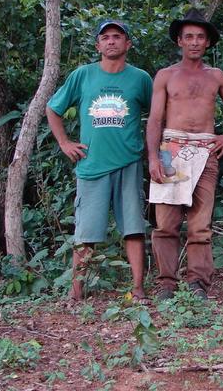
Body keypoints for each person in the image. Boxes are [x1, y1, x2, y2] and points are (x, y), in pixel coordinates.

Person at [46, 19, 153, 303]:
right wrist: (64, 142)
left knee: (133, 228)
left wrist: (156, 149)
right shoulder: (83, 76)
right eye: (105, 37)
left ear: (127, 44)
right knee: (86, 232)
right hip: (92, 165)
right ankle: (76, 292)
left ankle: (138, 289)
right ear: (98, 45)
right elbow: (53, 108)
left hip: (128, 162)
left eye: (117, 37)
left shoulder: (140, 78)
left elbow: (157, 115)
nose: (111, 41)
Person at [147, 9, 223, 300]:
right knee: (166, 222)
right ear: (179, 40)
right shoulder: (166, 76)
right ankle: (166, 284)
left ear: (208, 43)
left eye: (200, 37)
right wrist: (153, 158)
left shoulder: (215, 76)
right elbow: (154, 120)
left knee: (200, 224)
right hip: (170, 149)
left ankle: (197, 284)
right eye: (188, 36)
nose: (194, 42)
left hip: (205, 151)